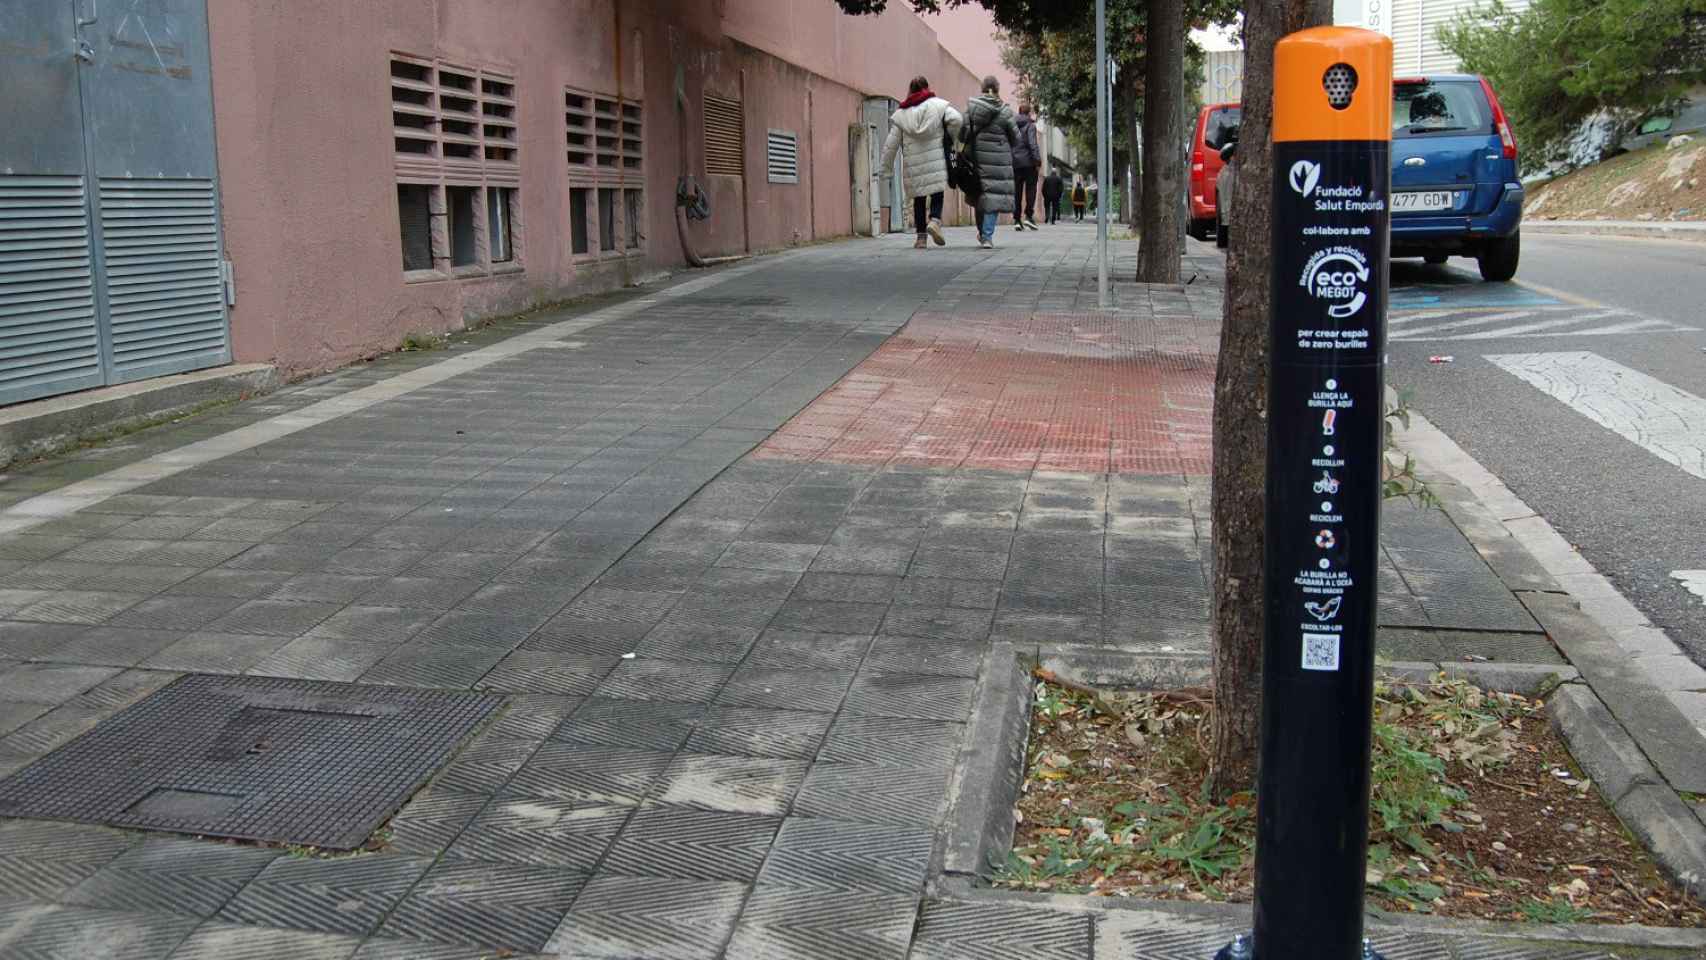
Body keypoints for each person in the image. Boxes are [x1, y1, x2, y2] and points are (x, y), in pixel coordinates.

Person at [880, 75, 964, 249]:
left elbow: (891, 144)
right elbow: (956, 119)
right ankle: (934, 220)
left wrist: (885, 169)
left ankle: (921, 239)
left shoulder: (901, 114)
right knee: (937, 192)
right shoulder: (939, 105)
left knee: (919, 199)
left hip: (913, 166)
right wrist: (955, 140)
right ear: (927, 87)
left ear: (910, 90)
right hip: (936, 162)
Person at [962, 75, 1020, 249]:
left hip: (975, 159)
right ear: (997, 89)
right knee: (992, 198)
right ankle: (987, 236)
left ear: (982, 88)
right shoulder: (1005, 111)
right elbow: (1016, 138)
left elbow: (962, 134)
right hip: (999, 161)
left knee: (980, 194)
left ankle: (982, 232)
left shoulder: (972, 109)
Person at [1010, 104, 1042, 230]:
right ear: (1029, 113)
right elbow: (1032, 144)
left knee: (1016, 192)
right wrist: (1038, 161)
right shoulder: (1030, 125)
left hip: (1015, 163)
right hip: (1029, 163)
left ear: (1019, 112)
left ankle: (1017, 219)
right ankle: (1028, 216)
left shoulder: (1011, 126)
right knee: (1031, 190)